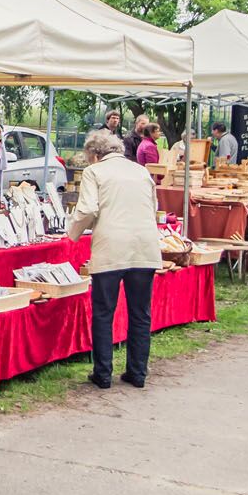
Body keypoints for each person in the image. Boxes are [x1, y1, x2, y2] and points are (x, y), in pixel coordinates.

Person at [67, 128, 164, 388]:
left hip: (112, 245)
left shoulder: (94, 172)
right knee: (140, 313)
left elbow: (87, 208)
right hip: (145, 245)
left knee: (103, 311)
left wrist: (72, 233)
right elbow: (152, 206)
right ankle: (137, 372)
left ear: (94, 154)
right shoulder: (141, 171)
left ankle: (103, 373)